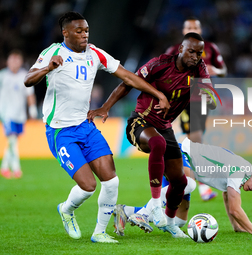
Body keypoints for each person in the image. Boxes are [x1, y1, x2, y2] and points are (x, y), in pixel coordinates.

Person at [24, 11, 170, 243]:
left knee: (111, 181)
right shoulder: (53, 52)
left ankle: (99, 233)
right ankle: (66, 209)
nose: (84, 34)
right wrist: (47, 68)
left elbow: (128, 77)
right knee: (88, 186)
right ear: (66, 33)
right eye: (79, 31)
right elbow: (28, 79)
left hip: (86, 126)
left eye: (86, 30)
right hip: (61, 131)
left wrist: (157, 93)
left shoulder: (95, 54)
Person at [88, 32, 216, 238]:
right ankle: (155, 204)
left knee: (181, 182)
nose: (195, 56)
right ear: (181, 49)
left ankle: (170, 223)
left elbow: (211, 96)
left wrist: (207, 95)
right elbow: (128, 83)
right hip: (140, 122)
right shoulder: (160, 64)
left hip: (165, 127)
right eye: (191, 51)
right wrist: (105, 107)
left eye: (199, 53)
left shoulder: (199, 69)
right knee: (158, 143)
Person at [116, 137, 252, 234]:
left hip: (184, 162)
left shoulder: (244, 173)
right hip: (179, 153)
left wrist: (237, 227)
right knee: (188, 184)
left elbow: (227, 195)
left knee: (178, 220)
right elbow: (235, 209)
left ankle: (125, 211)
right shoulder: (241, 170)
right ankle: (143, 213)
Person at [166, 17, 227, 201]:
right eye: (189, 27)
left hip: (203, 99)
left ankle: (176, 157)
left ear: (201, 29)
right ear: (183, 30)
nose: (192, 29)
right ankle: (202, 185)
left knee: (194, 142)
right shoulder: (175, 50)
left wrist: (214, 71)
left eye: (195, 27)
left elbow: (223, 70)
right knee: (197, 139)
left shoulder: (210, 48)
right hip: (184, 99)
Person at [0, 50, 38, 179]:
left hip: (20, 115)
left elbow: (30, 94)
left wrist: (32, 109)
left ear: (20, 62)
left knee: (13, 141)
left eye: (17, 60)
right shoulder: (2, 76)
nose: (14, 63)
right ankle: (16, 169)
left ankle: (4, 168)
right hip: (6, 114)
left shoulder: (24, 76)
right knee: (12, 141)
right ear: (7, 62)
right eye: (12, 60)